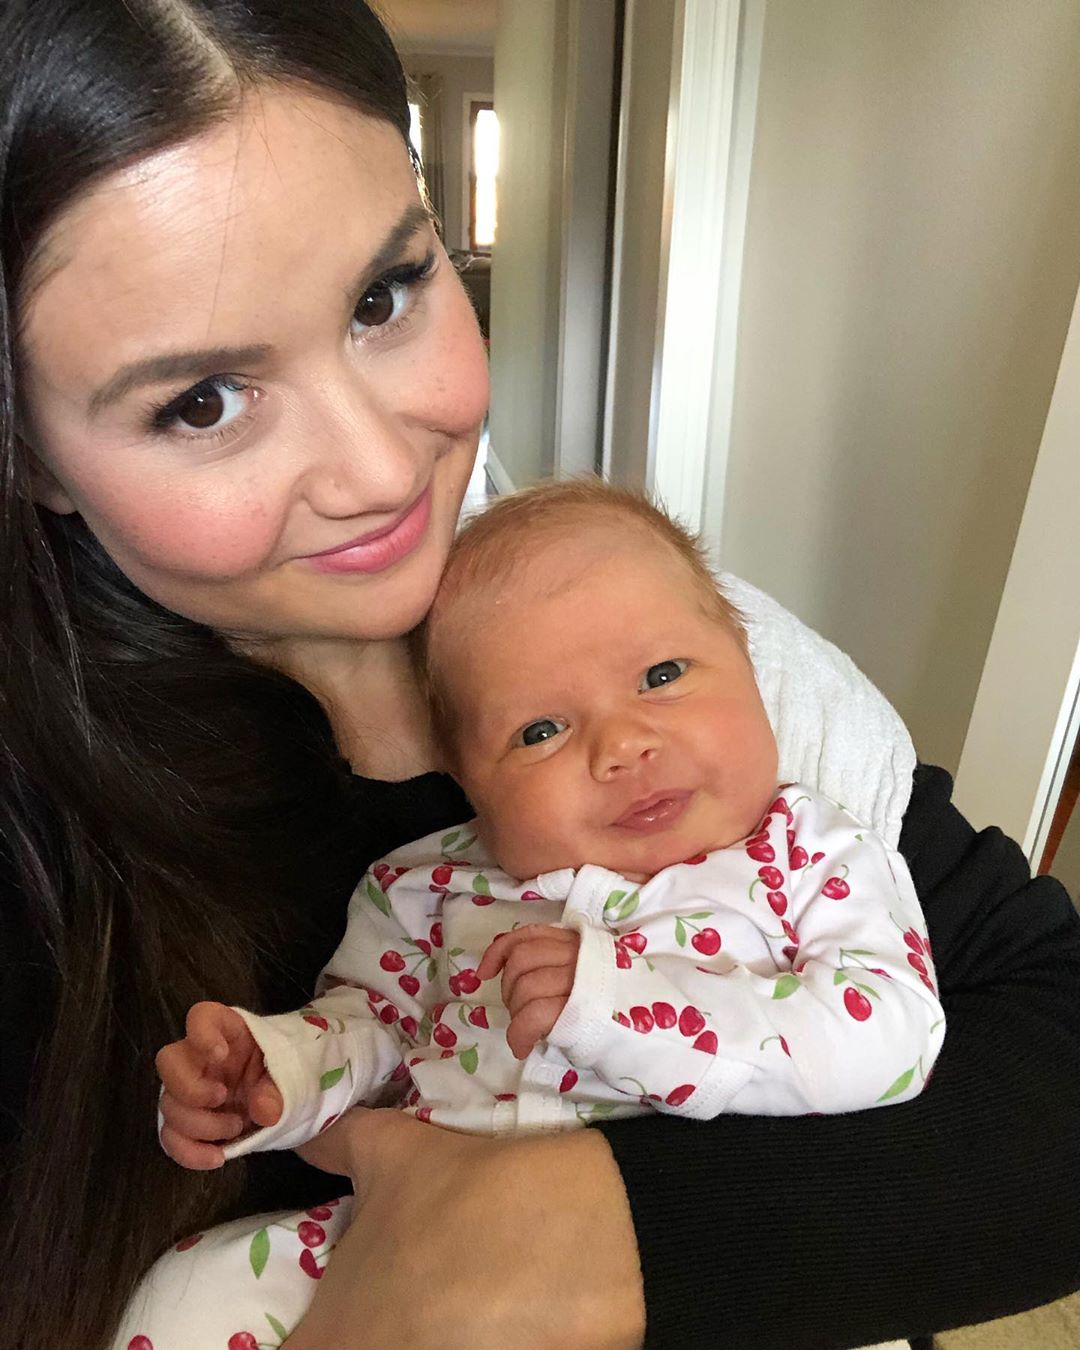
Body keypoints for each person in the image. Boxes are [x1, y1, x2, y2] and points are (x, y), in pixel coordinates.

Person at [0, 3, 1077, 1349]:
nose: (386, 472)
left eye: (385, 295)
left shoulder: (688, 655)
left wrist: (586, 1232)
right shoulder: (54, 842)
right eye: (203, 399)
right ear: (29, 450)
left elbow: (1046, 1045)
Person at [142, 484, 945, 1344]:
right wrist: (280, 1074)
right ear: (463, 773)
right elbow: (373, 1031)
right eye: (540, 731)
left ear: (748, 661)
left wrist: (628, 1007)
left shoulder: (806, 849)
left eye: (662, 676)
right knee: (185, 1294)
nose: (622, 744)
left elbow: (894, 1036)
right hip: (420, 1241)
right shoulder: (425, 885)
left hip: (709, 1266)